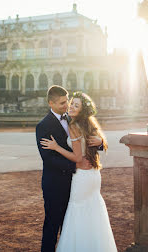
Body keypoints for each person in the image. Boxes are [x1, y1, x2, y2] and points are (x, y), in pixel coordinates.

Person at [41, 91, 117, 252]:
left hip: (82, 175)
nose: (69, 106)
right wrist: (100, 142)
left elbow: (78, 156)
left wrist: (57, 147)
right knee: (91, 211)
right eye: (69, 103)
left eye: (75, 104)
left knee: (78, 212)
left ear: (82, 110)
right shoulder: (48, 124)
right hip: (88, 175)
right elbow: (48, 159)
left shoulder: (74, 124)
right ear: (51, 103)